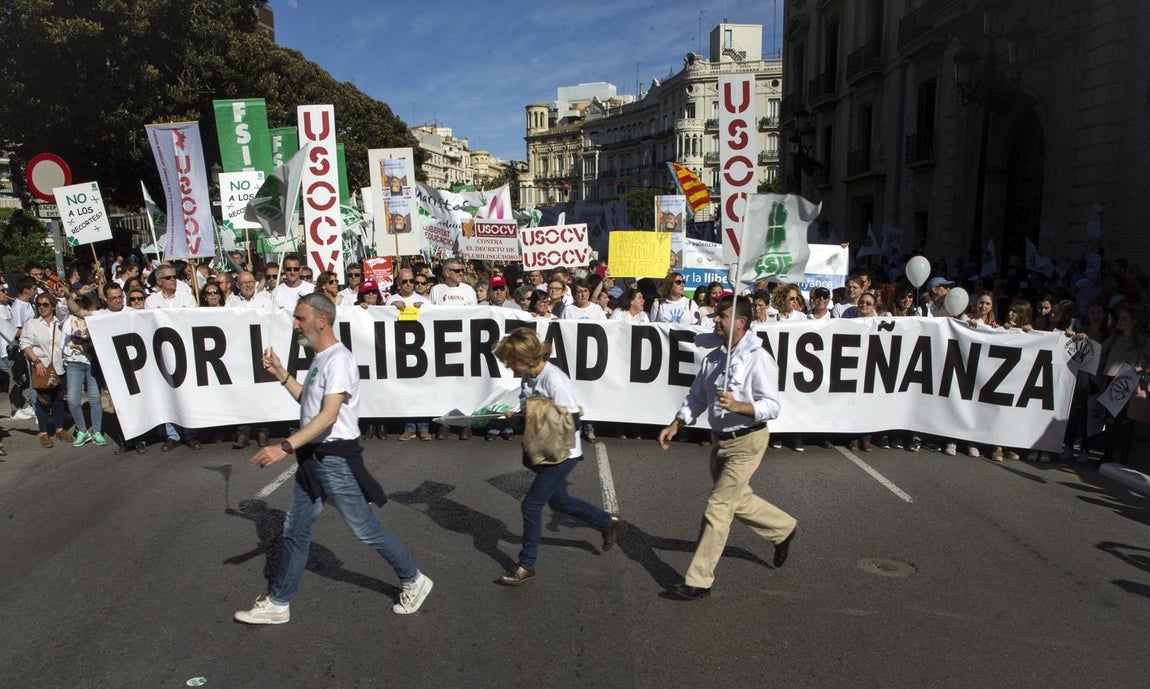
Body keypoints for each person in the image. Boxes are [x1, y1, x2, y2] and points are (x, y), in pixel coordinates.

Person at [234, 294, 433, 624]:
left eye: (300, 318)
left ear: (321, 320)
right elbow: (308, 402)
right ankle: (279, 603)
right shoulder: (320, 358)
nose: (295, 325)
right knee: (295, 529)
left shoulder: (339, 360)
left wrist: (283, 448)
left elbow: (327, 417)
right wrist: (281, 374)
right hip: (314, 459)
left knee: (364, 528)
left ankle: (414, 579)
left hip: (333, 460)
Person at [656, 297, 797, 600]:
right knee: (738, 500)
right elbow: (696, 397)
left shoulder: (758, 359)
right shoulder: (714, 358)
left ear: (741, 323)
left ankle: (699, 580)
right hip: (721, 442)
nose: (715, 320)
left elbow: (772, 407)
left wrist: (740, 405)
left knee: (718, 507)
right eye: (716, 315)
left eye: (722, 316)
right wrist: (676, 423)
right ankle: (783, 528)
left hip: (748, 442)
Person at [490, 328, 619, 586]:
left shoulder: (554, 379)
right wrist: (518, 415)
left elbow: (572, 419)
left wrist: (541, 415)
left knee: (531, 505)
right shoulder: (529, 376)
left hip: (562, 452)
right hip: (544, 449)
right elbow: (529, 407)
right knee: (560, 503)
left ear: (526, 358)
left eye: (511, 361)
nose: (508, 366)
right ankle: (606, 522)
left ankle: (526, 565)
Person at [20, 293, 71, 448]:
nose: (41, 307)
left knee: (57, 397)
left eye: (45, 304)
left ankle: (59, 428)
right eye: (39, 304)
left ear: (53, 306)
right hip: (41, 366)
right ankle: (43, 432)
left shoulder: (59, 322)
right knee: (43, 400)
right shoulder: (33, 323)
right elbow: (24, 343)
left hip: (59, 366)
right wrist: (36, 361)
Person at [62, 295, 106, 447]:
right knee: (73, 400)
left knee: (94, 398)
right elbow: (61, 307)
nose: (78, 310)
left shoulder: (94, 320)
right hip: (74, 362)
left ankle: (97, 431)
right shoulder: (68, 321)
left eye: (82, 306)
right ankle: (82, 430)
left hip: (92, 361)